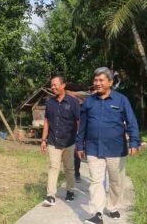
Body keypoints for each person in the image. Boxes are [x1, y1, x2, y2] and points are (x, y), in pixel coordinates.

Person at [77, 67, 140, 224]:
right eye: (95, 80)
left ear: (110, 82)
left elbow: (131, 121)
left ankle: (112, 206)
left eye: (101, 80)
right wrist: (79, 145)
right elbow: (82, 125)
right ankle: (97, 213)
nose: (97, 83)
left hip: (116, 149)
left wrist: (134, 141)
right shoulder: (89, 102)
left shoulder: (121, 100)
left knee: (116, 181)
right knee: (96, 181)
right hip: (93, 148)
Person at [40, 75, 81, 206]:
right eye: (51, 85)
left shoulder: (73, 102)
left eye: (55, 84)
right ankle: (51, 195)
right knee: (53, 167)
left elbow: (78, 121)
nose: (53, 87)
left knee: (69, 168)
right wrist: (43, 140)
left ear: (63, 85)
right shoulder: (49, 103)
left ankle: (70, 191)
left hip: (69, 141)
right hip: (53, 141)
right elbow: (46, 121)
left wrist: (80, 141)